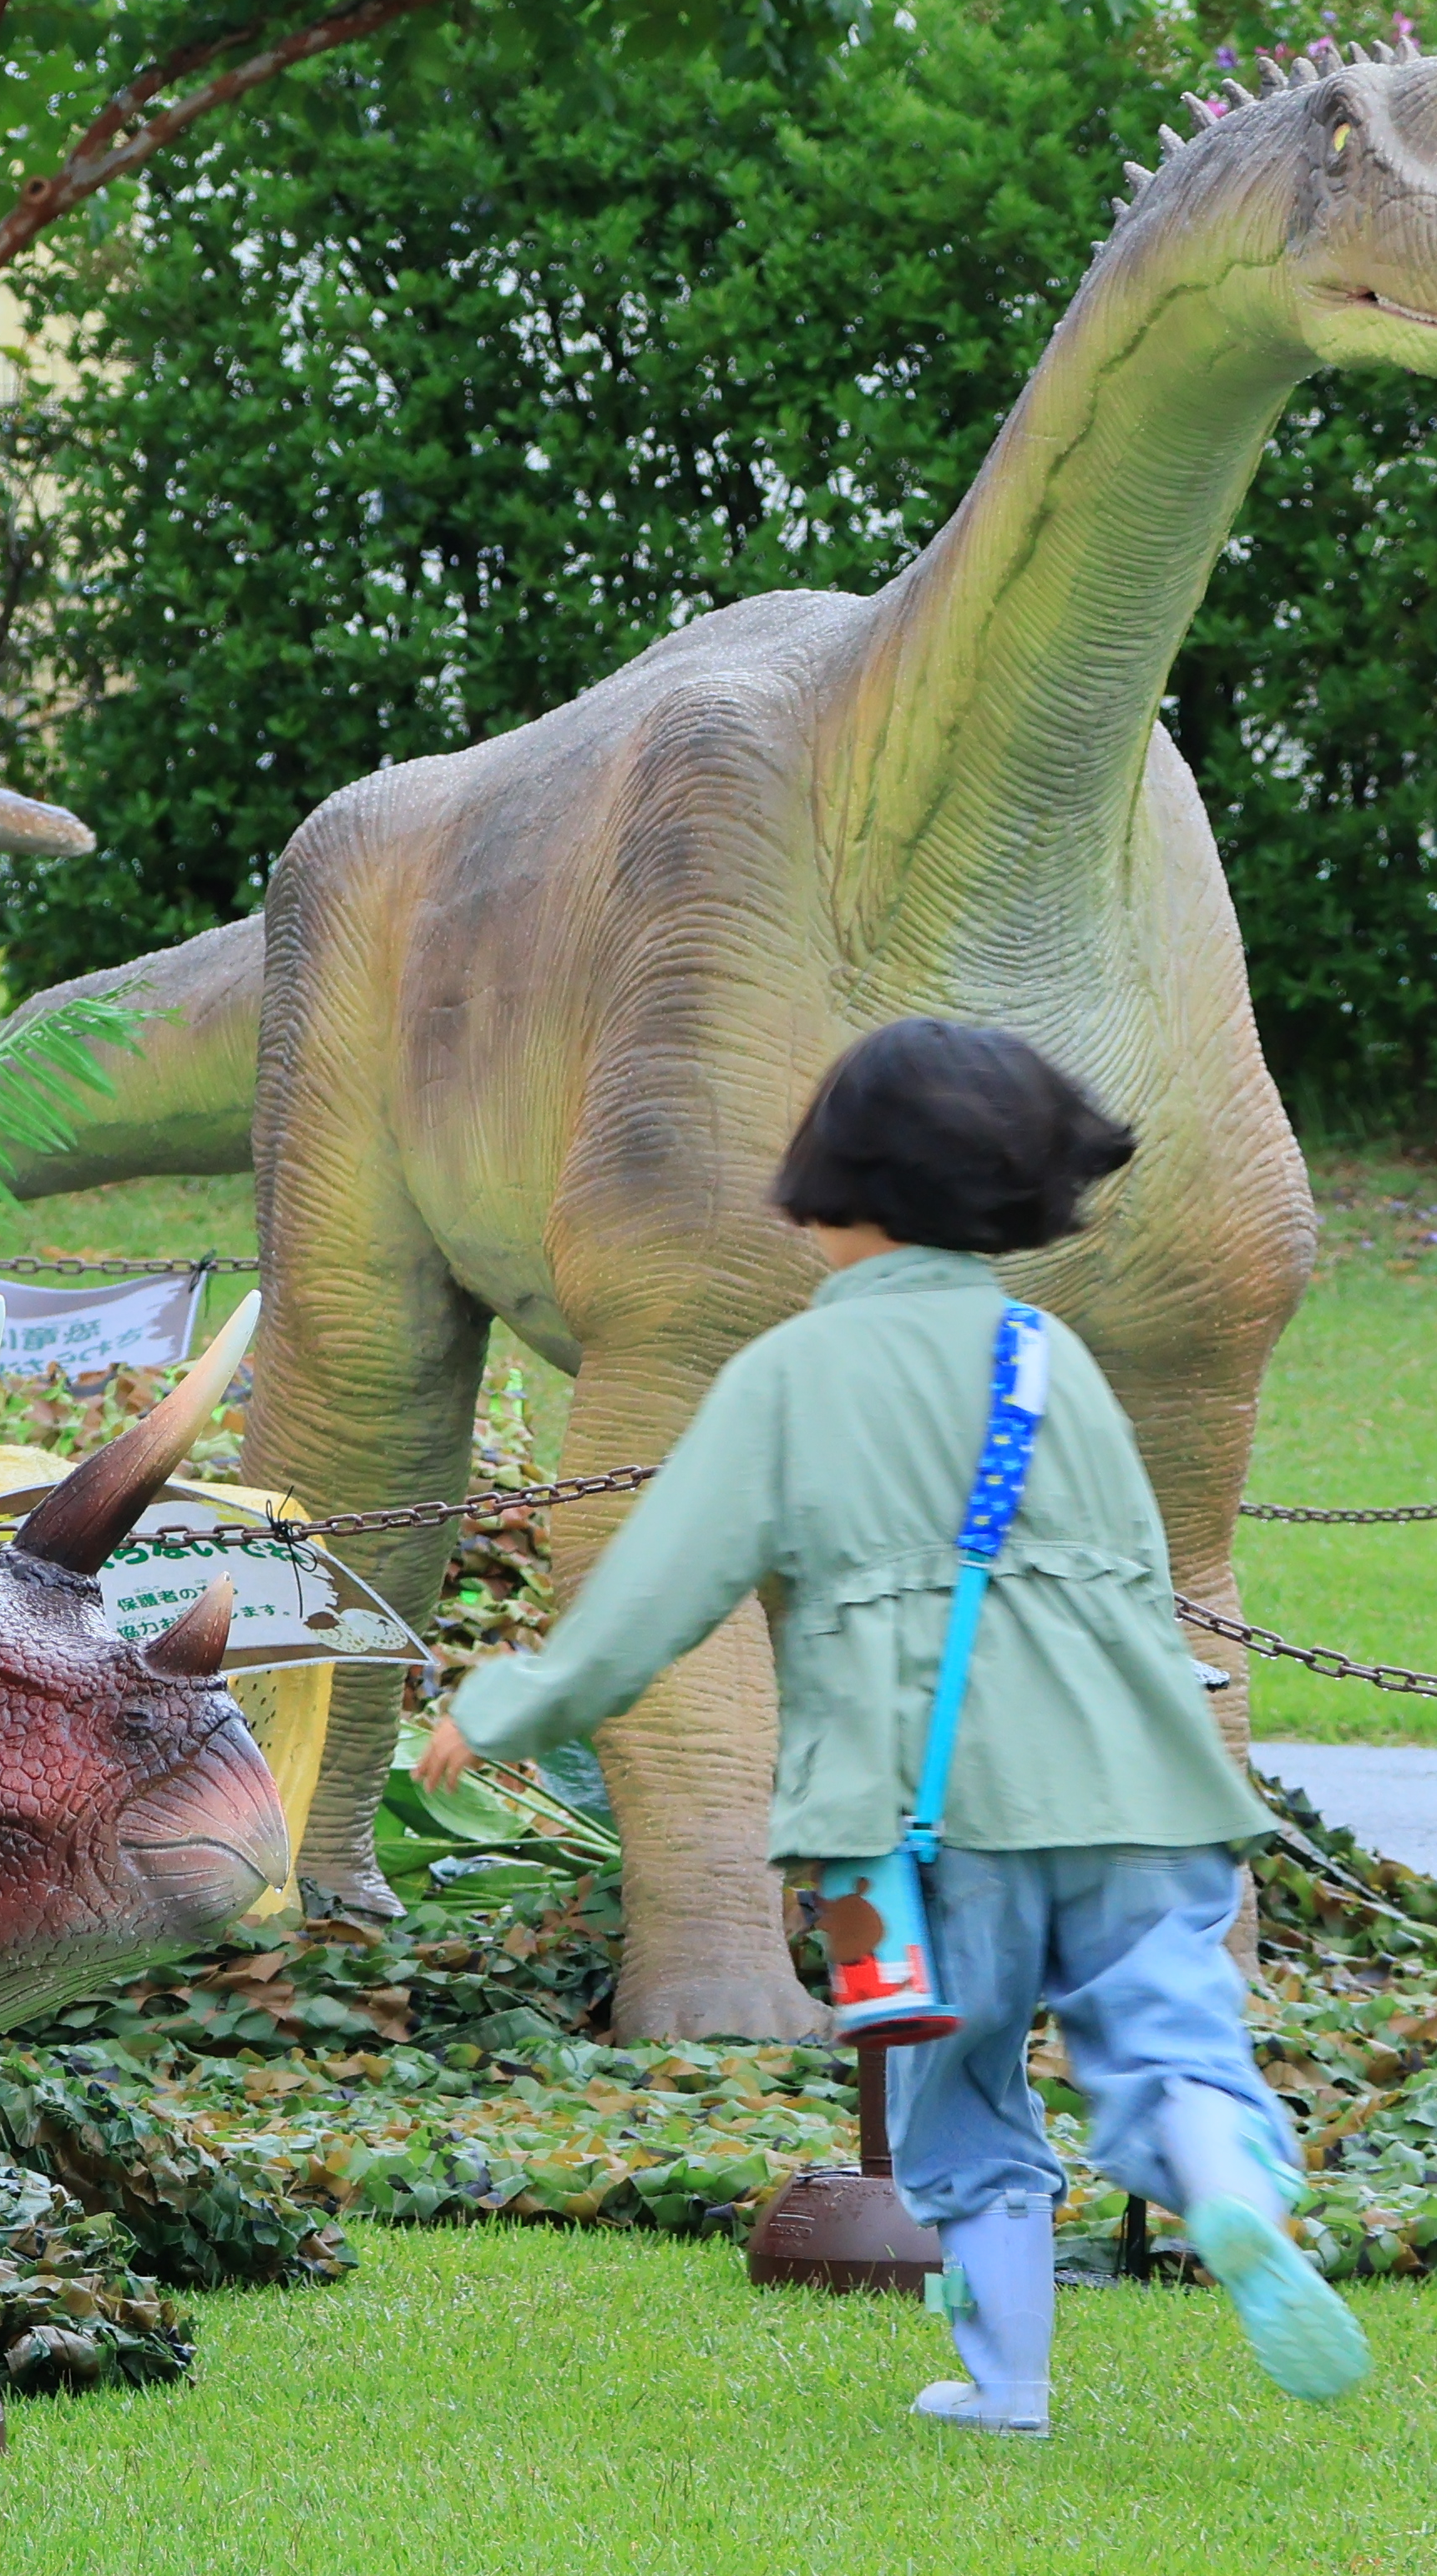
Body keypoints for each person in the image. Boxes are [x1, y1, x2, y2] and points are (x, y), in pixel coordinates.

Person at [420, 1018, 1364, 2436]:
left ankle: (1009, 2388)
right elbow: (1135, 1577)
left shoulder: (790, 1378)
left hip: (923, 1820)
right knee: (1168, 2043)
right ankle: (1224, 2186)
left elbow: (651, 1600)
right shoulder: (1049, 1359)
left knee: (960, 2106)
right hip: (1141, 1786)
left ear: (832, 1176)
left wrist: (500, 1711)